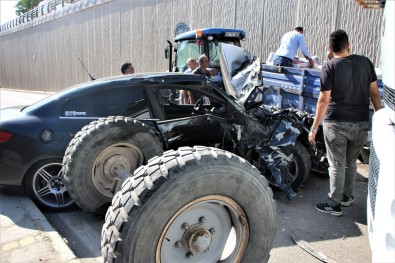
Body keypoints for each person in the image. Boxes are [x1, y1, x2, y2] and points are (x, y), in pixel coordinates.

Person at [308, 29, 381, 216]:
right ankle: (347, 197)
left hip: (336, 124)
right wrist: (379, 117)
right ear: (348, 44)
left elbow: (324, 100)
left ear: (330, 48)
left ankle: (334, 204)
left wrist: (314, 127)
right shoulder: (365, 62)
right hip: (361, 123)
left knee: (336, 164)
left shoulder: (329, 66)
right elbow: (374, 93)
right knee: (350, 163)